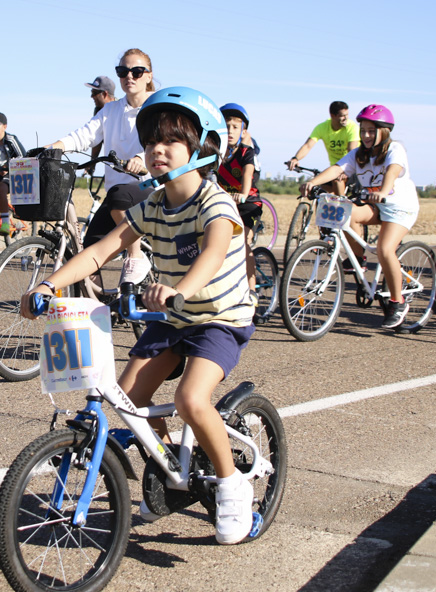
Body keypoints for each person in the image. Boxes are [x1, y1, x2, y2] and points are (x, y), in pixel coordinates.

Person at [21, 86, 257, 544]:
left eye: (170, 140)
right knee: (129, 400)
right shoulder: (152, 204)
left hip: (218, 318)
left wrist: (178, 290)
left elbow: (211, 253)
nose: (156, 150)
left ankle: (232, 484)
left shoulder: (217, 203)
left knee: (190, 399)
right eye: (149, 141)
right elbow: (100, 251)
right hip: (171, 318)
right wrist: (48, 284)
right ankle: (169, 469)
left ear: (202, 146)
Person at [298, 105, 421, 328]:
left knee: (385, 250)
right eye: (363, 130)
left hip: (399, 207)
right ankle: (358, 261)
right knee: (347, 212)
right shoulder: (359, 154)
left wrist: (383, 191)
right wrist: (313, 183)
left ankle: (398, 301)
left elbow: (393, 171)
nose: (365, 135)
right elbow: (337, 169)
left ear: (384, 131)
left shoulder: (395, 149)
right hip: (374, 205)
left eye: (371, 131)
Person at [44, 49, 154, 284]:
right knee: (87, 256)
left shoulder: (157, 108)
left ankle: (136, 257)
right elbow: (84, 135)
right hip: (117, 197)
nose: (129, 77)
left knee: (119, 196)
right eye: (123, 72)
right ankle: (101, 307)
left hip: (149, 188)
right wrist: (55, 146)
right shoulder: (111, 110)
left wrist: (141, 159)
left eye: (136, 71)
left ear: (148, 75)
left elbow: (164, 142)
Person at [215, 103, 261, 291]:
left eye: (235, 127)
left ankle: (251, 293)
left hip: (247, 204)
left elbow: (247, 175)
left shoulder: (246, 152)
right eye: (226, 127)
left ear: (243, 131)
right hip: (224, 202)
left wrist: (242, 194)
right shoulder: (215, 152)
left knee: (244, 243)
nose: (230, 131)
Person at [288, 101, 359, 194]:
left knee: (337, 180)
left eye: (347, 115)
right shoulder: (322, 127)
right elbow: (308, 145)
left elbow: (351, 150)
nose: (346, 118)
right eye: (342, 116)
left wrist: (345, 170)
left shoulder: (352, 127)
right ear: (332, 115)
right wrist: (295, 158)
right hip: (334, 169)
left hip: (353, 168)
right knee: (318, 187)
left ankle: (341, 206)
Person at [85, 75, 116, 171]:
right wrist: (92, 162)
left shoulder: (120, 109)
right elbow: (97, 137)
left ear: (105, 94)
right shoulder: (98, 110)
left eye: (94, 93)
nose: (91, 96)